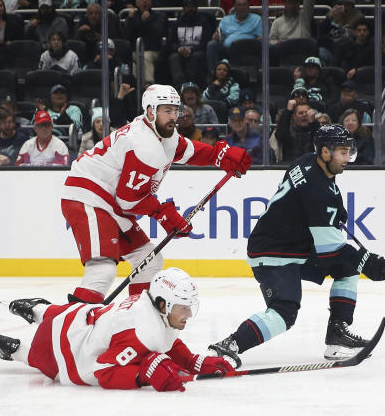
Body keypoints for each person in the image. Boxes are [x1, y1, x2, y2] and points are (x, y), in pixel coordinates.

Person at [209, 125, 385, 366]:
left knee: (347, 268)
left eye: (349, 152)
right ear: (325, 152)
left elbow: (320, 201)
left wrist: (335, 212)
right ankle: (228, 346)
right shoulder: (317, 191)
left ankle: (337, 337)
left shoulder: (307, 161)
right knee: (284, 311)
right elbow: (331, 249)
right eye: (342, 152)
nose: (348, 158)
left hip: (293, 246)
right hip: (273, 252)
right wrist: (369, 262)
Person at [60, 84, 252, 305]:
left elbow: (187, 151)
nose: (173, 116)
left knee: (148, 260)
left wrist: (219, 155)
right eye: (167, 110)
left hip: (110, 201)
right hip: (88, 196)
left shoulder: (162, 133)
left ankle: (133, 316)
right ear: (150, 111)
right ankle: (72, 324)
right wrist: (162, 213)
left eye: (175, 110)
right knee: (103, 269)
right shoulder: (144, 146)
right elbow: (129, 199)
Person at [0, 267, 234, 391]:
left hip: (79, 316)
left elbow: (164, 341)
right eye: (183, 307)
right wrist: (143, 375)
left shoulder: (152, 307)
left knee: (59, 313)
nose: (189, 314)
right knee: (38, 357)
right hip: (69, 350)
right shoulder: (142, 333)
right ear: (162, 304)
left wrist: (192, 361)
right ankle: (15, 351)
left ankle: (37, 309)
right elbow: (103, 370)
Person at [121, 0, 168, 84]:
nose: (145, 1)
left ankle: (149, 85)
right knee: (132, 62)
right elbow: (126, 36)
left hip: (153, 51)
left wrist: (147, 22)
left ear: (151, 2)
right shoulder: (132, 17)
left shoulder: (159, 16)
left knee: (145, 57)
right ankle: (135, 89)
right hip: (135, 51)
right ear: (137, 3)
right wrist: (131, 20)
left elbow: (158, 33)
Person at [169, 0, 216, 85]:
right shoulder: (177, 23)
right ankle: (179, 87)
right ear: (183, 9)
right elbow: (171, 42)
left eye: (192, 6)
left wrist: (192, 50)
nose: (190, 9)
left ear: (196, 8)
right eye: (187, 7)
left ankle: (191, 87)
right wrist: (179, 49)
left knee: (194, 58)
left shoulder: (204, 22)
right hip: (181, 51)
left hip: (197, 51)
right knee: (173, 58)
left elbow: (205, 42)